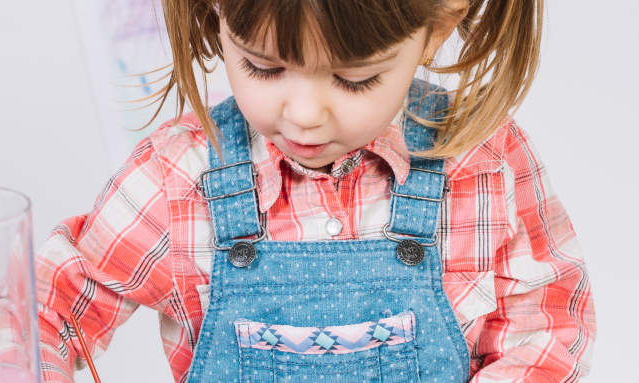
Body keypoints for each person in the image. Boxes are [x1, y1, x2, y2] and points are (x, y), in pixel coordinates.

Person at [33, 0, 595, 382]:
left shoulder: (480, 160)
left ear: (439, 27)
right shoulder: (178, 178)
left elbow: (548, 321)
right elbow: (49, 310)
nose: (303, 116)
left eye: (354, 79)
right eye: (262, 66)